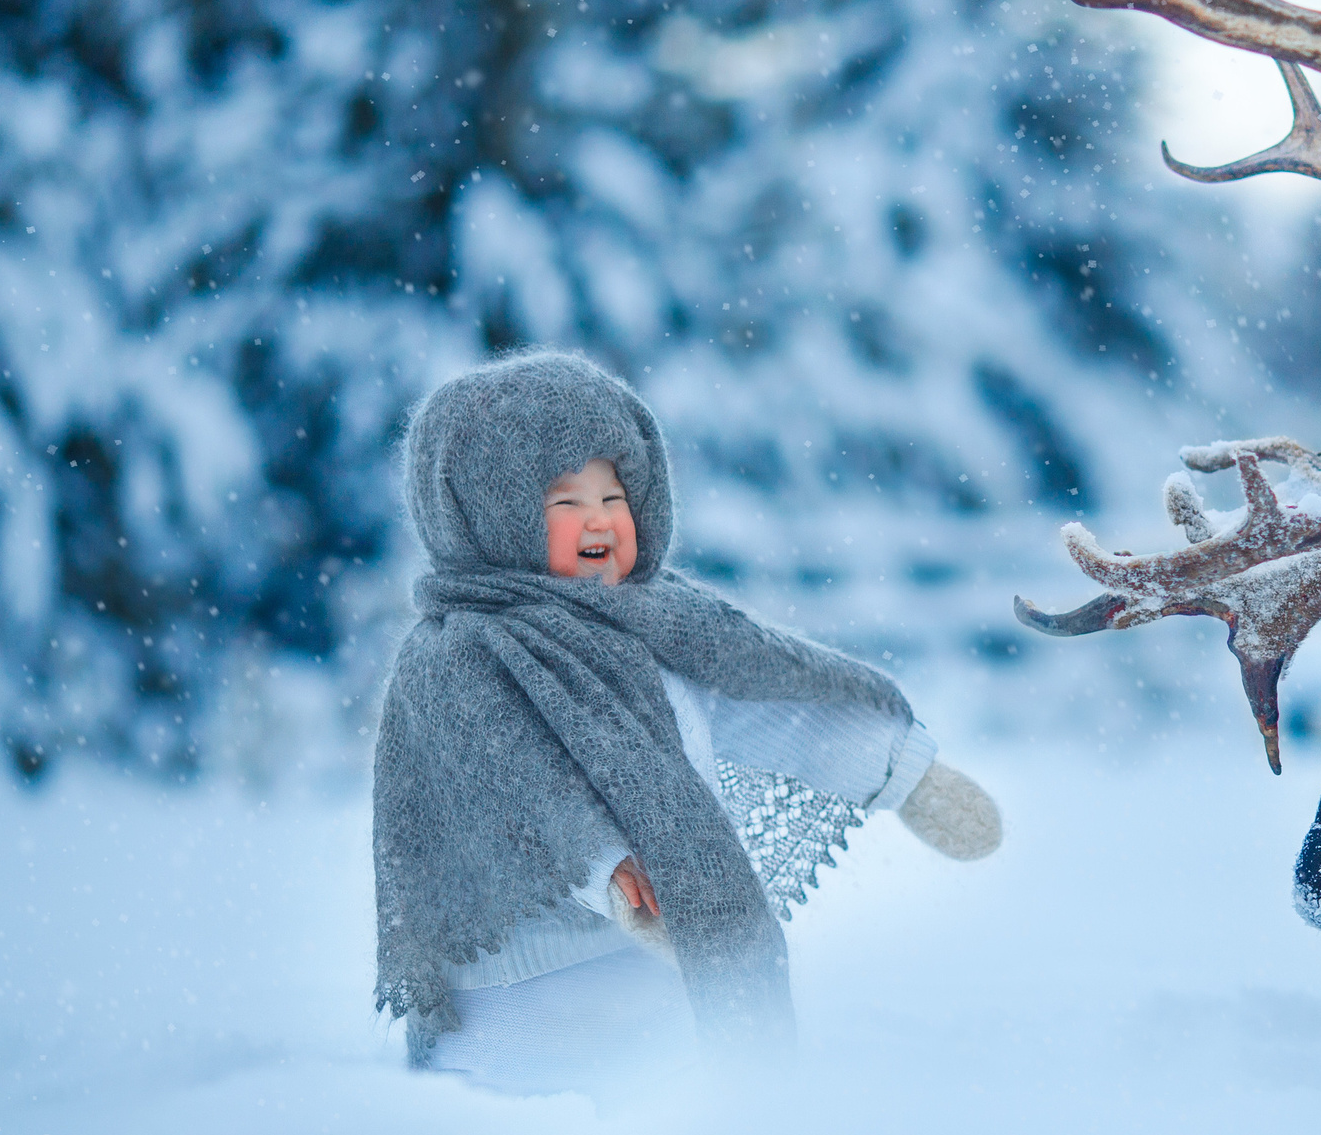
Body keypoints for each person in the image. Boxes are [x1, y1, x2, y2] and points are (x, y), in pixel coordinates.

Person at [371, 351, 998, 1093]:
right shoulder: (458, 661)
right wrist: (608, 869)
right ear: (486, 513)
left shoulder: (660, 626)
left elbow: (771, 706)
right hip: (518, 1008)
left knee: (691, 1122)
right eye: (565, 502)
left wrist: (907, 773)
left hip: (657, 975)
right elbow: (511, 788)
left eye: (615, 493)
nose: (601, 518)